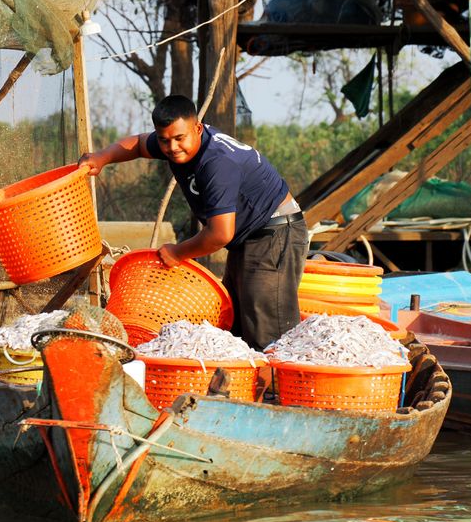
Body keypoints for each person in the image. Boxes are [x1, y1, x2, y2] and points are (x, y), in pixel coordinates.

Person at [78, 94, 308, 349]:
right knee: (235, 322)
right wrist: (102, 157)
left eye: (179, 138)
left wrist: (178, 252)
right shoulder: (173, 141)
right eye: (165, 141)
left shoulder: (217, 163)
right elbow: (140, 143)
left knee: (267, 331)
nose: (172, 147)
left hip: (274, 232)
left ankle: (277, 387)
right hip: (248, 236)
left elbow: (220, 234)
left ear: (198, 128)